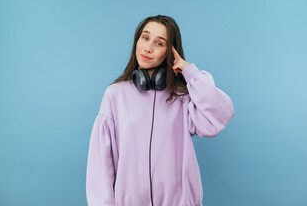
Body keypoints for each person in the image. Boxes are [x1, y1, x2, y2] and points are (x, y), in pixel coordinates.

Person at [86, 15, 235, 206]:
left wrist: (192, 74)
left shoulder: (182, 97)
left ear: (170, 52)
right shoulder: (114, 95)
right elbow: (100, 165)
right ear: (137, 41)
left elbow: (219, 116)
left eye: (159, 43)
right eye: (145, 38)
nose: (148, 48)